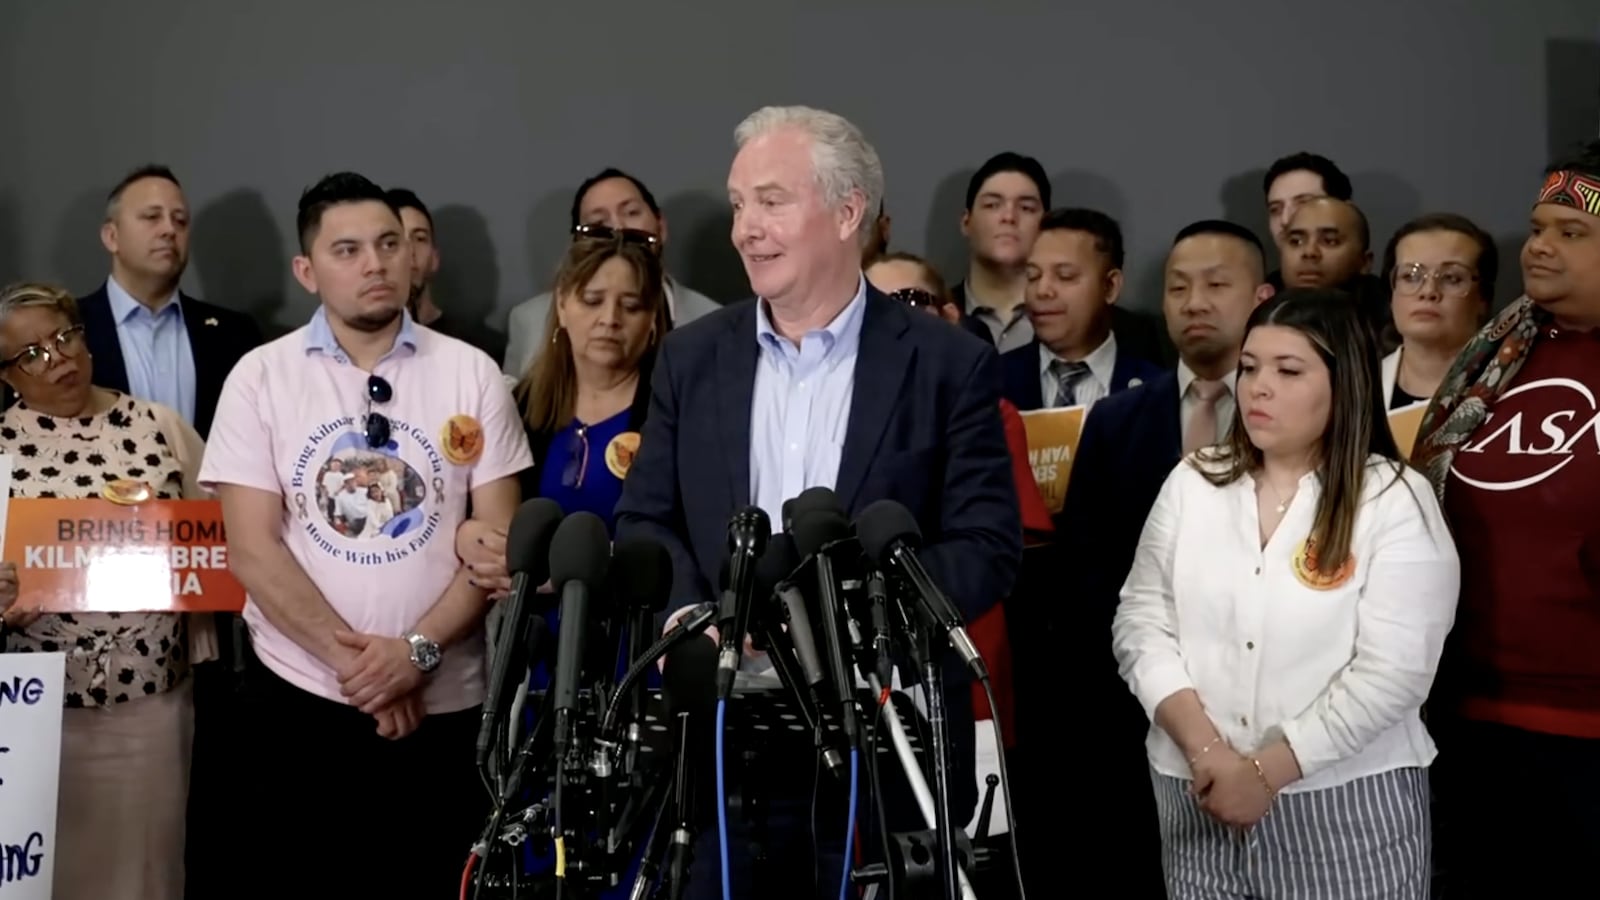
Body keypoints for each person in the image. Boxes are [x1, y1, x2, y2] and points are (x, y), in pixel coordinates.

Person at [615, 105, 1021, 898]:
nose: (744, 228)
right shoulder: (692, 359)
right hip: (724, 734)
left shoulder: (947, 365)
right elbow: (646, 520)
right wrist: (695, 619)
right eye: (738, 204)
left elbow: (983, 547)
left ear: (846, 214)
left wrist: (850, 633)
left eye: (770, 201)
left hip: (884, 734)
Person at [198, 172, 529, 899]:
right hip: (303, 701)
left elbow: (498, 538)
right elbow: (252, 549)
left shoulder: (472, 372)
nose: (375, 263)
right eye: (347, 250)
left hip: (447, 704)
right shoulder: (260, 377)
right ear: (308, 271)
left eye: (388, 244)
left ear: (414, 258)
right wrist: (369, 675)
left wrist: (414, 654)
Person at [1113, 290, 1460, 899]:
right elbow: (1142, 622)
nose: (1257, 388)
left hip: (1344, 805)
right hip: (1196, 790)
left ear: (1344, 382)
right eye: (1249, 368)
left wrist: (1266, 773)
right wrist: (1209, 752)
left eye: (1287, 370)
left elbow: (1395, 671)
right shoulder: (1195, 480)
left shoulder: (1395, 500)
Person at [1054, 219, 1273, 893]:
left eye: (1215, 285)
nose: (1194, 302)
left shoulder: (1294, 418)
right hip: (1132, 717)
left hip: (1268, 718)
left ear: (1263, 297)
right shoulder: (1117, 421)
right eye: (1178, 287)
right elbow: (1086, 573)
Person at [1412, 139, 1600, 894]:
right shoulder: (1496, 351)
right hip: (1471, 715)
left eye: (1572, 232)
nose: (1540, 247)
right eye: (1538, 225)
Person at [0, 281, 214, 900]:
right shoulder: (1, 450)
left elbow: (222, 537)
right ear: (8, 376)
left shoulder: (159, 427)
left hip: (152, 697)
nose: (58, 357)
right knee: (53, 870)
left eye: (65, 337)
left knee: (149, 867)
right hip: (37, 707)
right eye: (32, 353)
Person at [502, 168, 720, 378]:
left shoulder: (714, 322)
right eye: (598, 223)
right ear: (579, 243)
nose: (619, 229)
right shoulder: (530, 321)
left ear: (661, 227)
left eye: (631, 213)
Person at [1377, 213, 1494, 408]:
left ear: (1483, 299)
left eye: (1451, 278)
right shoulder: (1354, 392)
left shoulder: (1515, 390)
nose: (1429, 291)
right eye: (1411, 276)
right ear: (1391, 294)